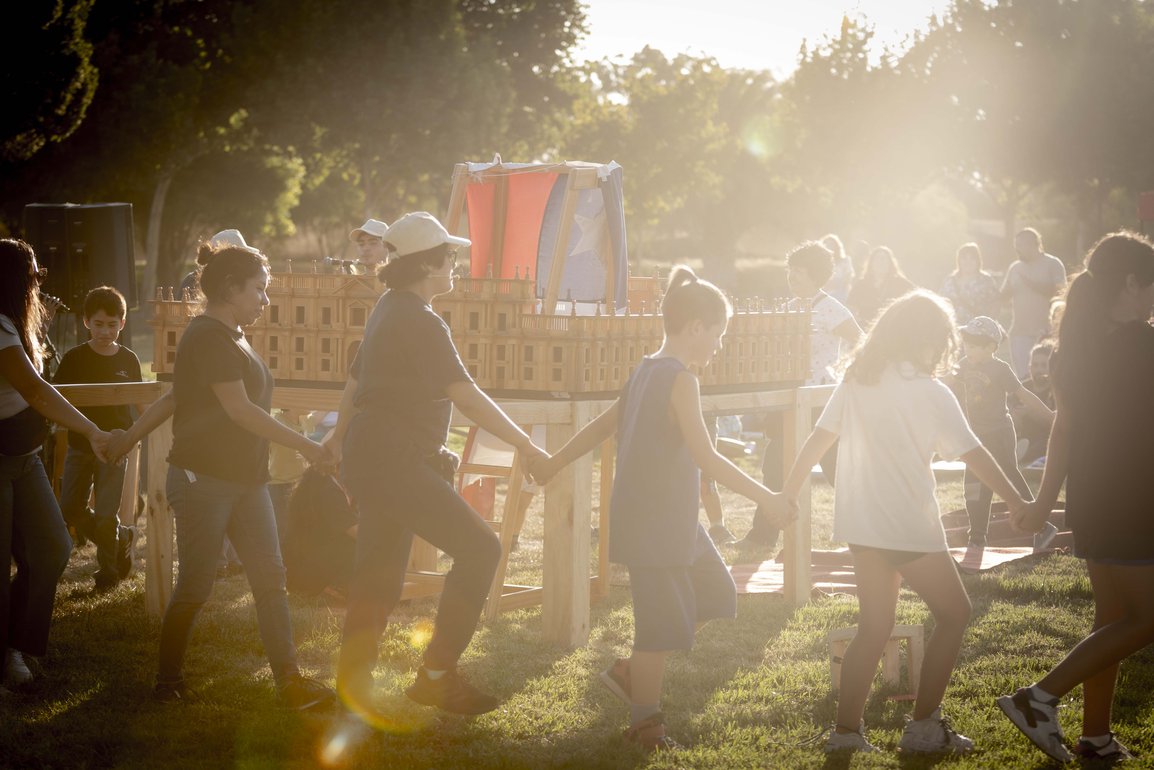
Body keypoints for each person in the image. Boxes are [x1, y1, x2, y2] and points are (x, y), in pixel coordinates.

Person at [534, 266, 791, 751]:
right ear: (696, 327)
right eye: (718, 334)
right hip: (655, 525)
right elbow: (706, 456)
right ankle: (645, 727)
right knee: (657, 629)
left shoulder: (647, 368)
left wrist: (552, 461)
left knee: (717, 594)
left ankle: (632, 673)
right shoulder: (675, 378)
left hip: (674, 521)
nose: (719, 345)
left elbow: (601, 428)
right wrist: (768, 498)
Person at [780, 291, 1029, 754]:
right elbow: (973, 452)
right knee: (955, 614)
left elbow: (818, 438)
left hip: (860, 521)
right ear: (931, 340)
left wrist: (788, 492)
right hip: (904, 523)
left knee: (874, 627)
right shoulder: (931, 391)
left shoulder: (857, 380)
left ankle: (846, 735)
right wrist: (1017, 500)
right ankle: (923, 729)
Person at [322, 211, 549, 718]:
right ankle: (436, 676)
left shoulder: (389, 306)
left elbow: (356, 386)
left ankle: (353, 684)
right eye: (450, 257)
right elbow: (465, 396)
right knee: (481, 548)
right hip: (392, 460)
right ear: (428, 265)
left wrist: (339, 440)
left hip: (374, 453)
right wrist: (527, 447)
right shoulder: (420, 319)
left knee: (379, 574)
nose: (457, 265)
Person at [107, 237, 335, 710]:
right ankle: (167, 682)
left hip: (246, 481)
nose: (265, 299)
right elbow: (239, 411)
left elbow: (175, 398)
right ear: (231, 288)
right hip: (203, 481)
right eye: (259, 289)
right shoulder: (208, 335)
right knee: (196, 585)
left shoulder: (231, 333)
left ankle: (289, 682)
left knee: (271, 577)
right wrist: (308, 446)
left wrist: (127, 439)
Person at [998, 231, 1154, 764]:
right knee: (1146, 618)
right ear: (1131, 283)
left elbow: (1062, 430)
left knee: (1111, 619)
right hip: (1135, 497)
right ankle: (1037, 698)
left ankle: (1096, 737)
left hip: (1091, 497)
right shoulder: (1141, 343)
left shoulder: (1073, 349)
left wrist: (1044, 505)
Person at [0, 239, 113, 689]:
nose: (37, 284)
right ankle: (7, 659)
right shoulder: (0, 327)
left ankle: (13, 646)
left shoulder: (13, 323)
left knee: (51, 547)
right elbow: (37, 392)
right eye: (32, 276)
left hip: (24, 458)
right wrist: (92, 430)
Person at [742, 241, 862, 550]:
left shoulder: (833, 308)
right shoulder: (788, 309)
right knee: (774, 464)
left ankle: (865, 533)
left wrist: (848, 375)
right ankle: (763, 535)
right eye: (789, 271)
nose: (792, 277)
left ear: (816, 275)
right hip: (790, 399)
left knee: (838, 468)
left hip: (823, 400)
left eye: (799, 272)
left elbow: (862, 343)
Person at [53, 286, 142, 592]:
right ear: (86, 322)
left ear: (122, 323)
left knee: (106, 513)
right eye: (99, 324)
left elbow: (140, 402)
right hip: (80, 444)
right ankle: (122, 539)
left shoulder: (128, 360)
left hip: (115, 448)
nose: (106, 331)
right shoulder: (75, 358)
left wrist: (137, 434)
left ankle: (108, 571)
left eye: (112, 324)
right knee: (69, 507)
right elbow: (58, 398)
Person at [948, 316, 1054, 549]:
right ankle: (976, 537)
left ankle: (1041, 525)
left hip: (999, 433)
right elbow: (945, 384)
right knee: (974, 487)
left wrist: (1051, 417)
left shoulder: (1000, 369)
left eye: (975, 345)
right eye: (967, 344)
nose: (969, 349)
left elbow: (1024, 395)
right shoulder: (963, 365)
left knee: (1009, 479)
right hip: (975, 436)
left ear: (990, 347)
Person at [1001, 228, 1067, 378]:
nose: (1017, 249)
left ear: (1034, 244)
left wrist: (1032, 284)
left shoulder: (1053, 263)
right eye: (1015, 245)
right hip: (1020, 333)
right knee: (1024, 379)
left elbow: (1060, 293)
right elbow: (1004, 297)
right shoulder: (1015, 267)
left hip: (1047, 332)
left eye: (1020, 245)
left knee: (1049, 376)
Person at [1011, 340, 1055, 466]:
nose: (1039, 369)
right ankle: (1016, 452)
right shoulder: (1022, 388)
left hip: (1045, 438)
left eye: (1043, 365)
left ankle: (1019, 455)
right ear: (1029, 367)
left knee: (1043, 444)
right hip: (1023, 438)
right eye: (1035, 365)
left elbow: (1054, 424)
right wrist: (1016, 418)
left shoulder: (1055, 390)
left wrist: (1031, 412)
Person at [847, 245, 916, 327]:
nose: (881, 262)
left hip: (893, 327)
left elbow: (917, 296)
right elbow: (850, 306)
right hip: (866, 328)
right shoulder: (862, 284)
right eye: (877, 259)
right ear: (871, 263)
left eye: (884, 259)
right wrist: (856, 322)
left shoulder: (900, 283)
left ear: (890, 264)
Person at [940, 242, 1001, 324]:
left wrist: (987, 324)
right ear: (958, 260)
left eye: (972, 258)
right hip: (954, 330)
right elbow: (941, 303)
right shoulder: (949, 281)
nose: (967, 262)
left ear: (978, 260)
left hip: (978, 330)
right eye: (964, 258)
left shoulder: (986, 280)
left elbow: (996, 304)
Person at [820, 233, 856, 306]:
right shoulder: (819, 264)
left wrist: (837, 284)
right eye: (827, 245)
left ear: (837, 247)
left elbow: (848, 279)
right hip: (823, 295)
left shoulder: (846, 261)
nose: (829, 247)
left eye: (831, 244)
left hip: (841, 295)